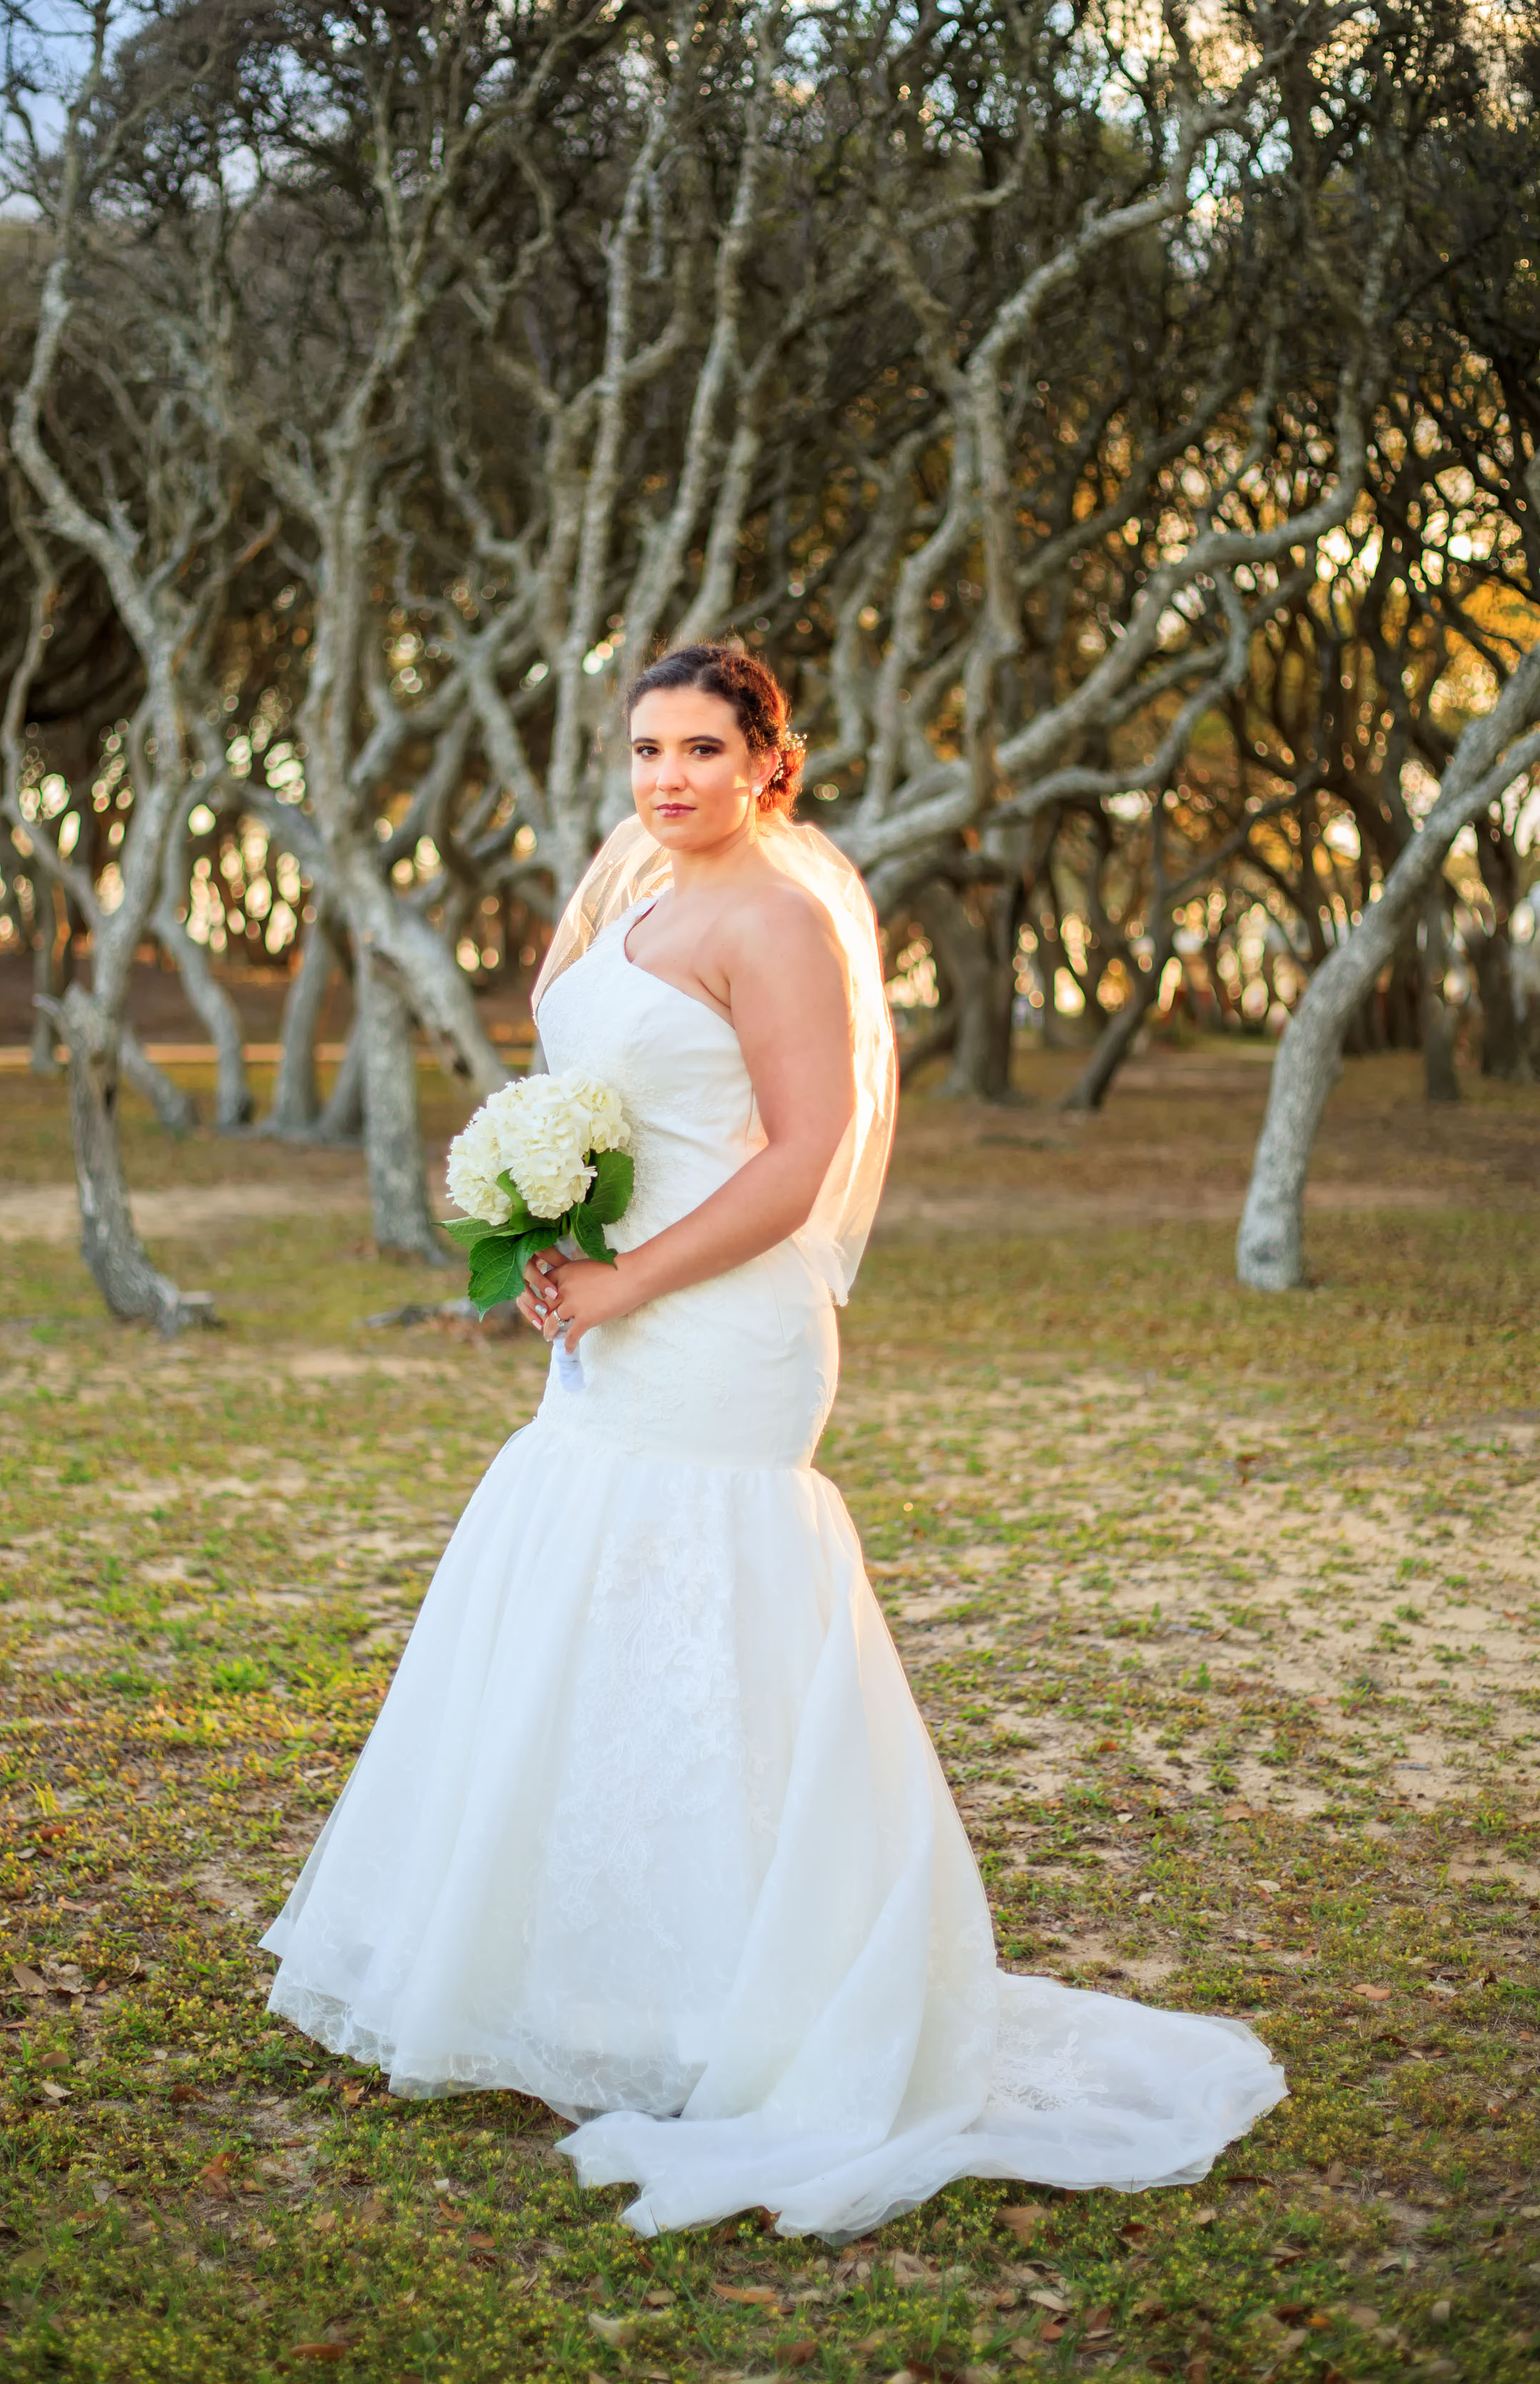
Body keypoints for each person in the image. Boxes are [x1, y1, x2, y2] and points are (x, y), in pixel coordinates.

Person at [261, 641, 1285, 2238]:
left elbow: (803, 1159)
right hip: (617, 1305)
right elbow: (609, 1103)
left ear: (769, 767)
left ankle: (740, 1995)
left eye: (703, 750)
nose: (668, 777)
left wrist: (627, 1278)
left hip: (724, 1325)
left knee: (705, 1610)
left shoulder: (782, 918)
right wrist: (553, 1231)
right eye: (648, 748)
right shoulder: (633, 899)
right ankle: (602, 1982)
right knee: (595, 1597)